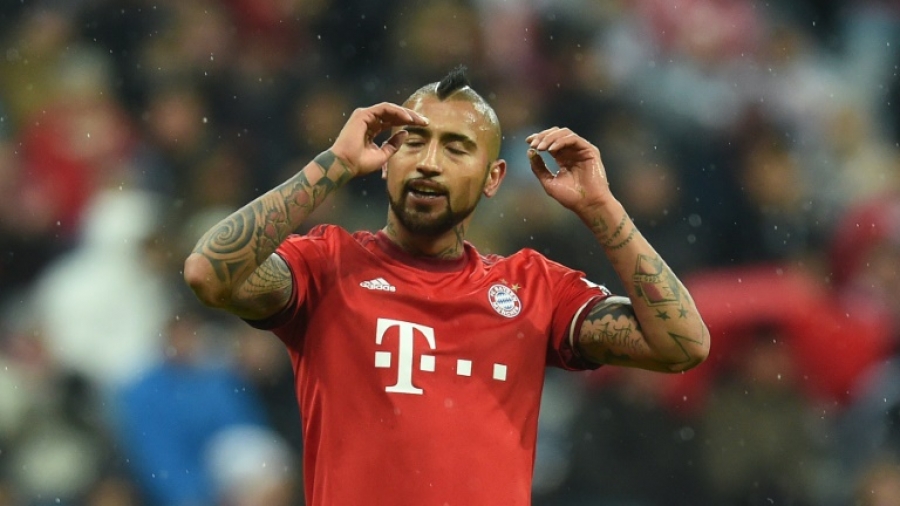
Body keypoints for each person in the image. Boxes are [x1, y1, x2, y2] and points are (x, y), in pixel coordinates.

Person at [183, 66, 710, 506]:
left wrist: (601, 208)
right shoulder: (326, 265)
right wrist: (334, 165)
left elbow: (683, 345)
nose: (429, 163)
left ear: (494, 177)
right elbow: (208, 273)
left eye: (456, 148)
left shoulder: (534, 288)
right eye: (414, 142)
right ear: (387, 158)